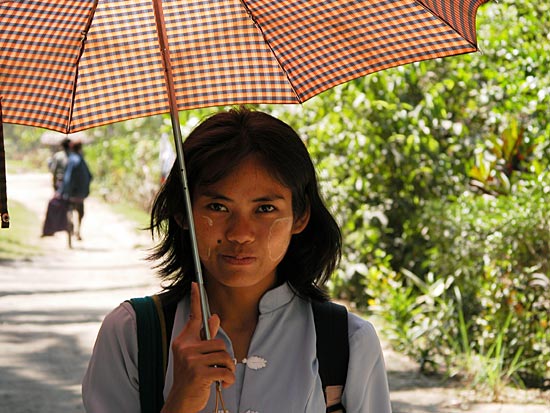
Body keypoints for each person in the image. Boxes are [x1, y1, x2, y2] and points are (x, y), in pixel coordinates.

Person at [82, 108, 392, 413]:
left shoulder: (348, 344)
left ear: (300, 216)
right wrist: (180, 402)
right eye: (217, 206)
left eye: (265, 208)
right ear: (183, 213)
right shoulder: (132, 334)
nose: (241, 233)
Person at [59, 140, 92, 241]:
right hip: (80, 194)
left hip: (70, 193)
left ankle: (70, 226)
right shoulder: (82, 160)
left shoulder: (71, 160)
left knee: (67, 209)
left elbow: (67, 178)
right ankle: (78, 231)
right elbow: (90, 176)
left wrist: (62, 191)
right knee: (80, 212)